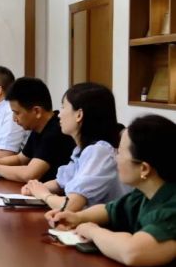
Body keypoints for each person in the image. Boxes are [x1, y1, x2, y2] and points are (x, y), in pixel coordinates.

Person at [45, 115, 176, 267]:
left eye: (119, 153)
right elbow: (109, 210)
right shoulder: (144, 195)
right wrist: (77, 217)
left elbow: (133, 252)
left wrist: (93, 231)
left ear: (144, 168)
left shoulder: (171, 208)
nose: (115, 158)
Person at [22, 83, 128, 211]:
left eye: (63, 107)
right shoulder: (82, 150)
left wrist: (44, 195)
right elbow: (60, 183)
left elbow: (71, 206)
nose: (59, 115)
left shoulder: (99, 152)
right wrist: (34, 187)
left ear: (79, 115)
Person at [0, 77, 75, 182]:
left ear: (37, 111)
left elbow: (30, 174)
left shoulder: (55, 131)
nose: (14, 118)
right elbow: (21, 159)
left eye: (17, 113)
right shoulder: (38, 126)